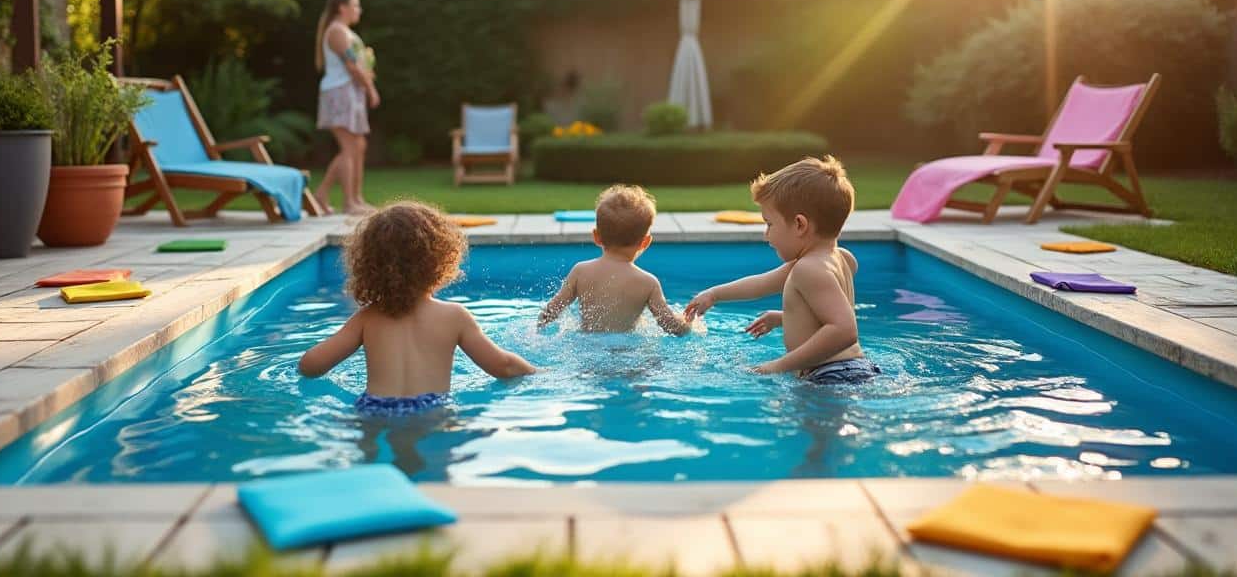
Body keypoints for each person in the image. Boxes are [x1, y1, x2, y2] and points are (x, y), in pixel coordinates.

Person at [298, 201, 536, 416]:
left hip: (373, 409)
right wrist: (538, 372)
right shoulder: (454, 317)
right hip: (431, 409)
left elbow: (311, 366)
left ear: (369, 266)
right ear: (440, 261)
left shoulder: (367, 319)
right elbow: (503, 366)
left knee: (371, 453)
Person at [685, 156, 879, 384]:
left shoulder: (808, 269)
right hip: (851, 369)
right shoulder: (841, 258)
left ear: (799, 224)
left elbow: (845, 330)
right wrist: (715, 294)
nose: (766, 234)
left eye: (769, 224)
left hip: (831, 375)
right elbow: (762, 284)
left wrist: (776, 366)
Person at [538, 185, 695, 335]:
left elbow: (551, 311)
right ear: (645, 242)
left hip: (587, 348)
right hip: (627, 352)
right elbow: (670, 325)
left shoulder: (580, 271)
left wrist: (538, 329)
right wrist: (690, 323)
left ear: (596, 237)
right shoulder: (648, 282)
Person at [312, 0, 379, 216]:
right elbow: (351, 66)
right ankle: (348, 202)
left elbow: (358, 64)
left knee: (358, 146)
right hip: (339, 93)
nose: (358, 10)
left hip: (350, 93)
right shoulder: (337, 31)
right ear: (342, 8)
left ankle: (350, 197)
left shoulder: (345, 31)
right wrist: (371, 89)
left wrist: (367, 80)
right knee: (349, 147)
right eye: (355, 5)